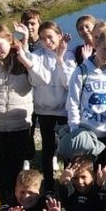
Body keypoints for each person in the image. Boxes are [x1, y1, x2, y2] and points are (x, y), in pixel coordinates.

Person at [0, 23, 36, 202]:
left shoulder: (23, 59)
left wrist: (25, 57)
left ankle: (17, 205)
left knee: (16, 171)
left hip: (19, 126)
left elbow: (41, 79)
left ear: (9, 40)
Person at [66, 28, 106, 180]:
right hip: (86, 133)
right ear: (96, 45)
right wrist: (74, 129)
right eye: (105, 49)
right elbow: (72, 102)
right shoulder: (81, 71)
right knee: (86, 174)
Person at [29, 20, 76, 177]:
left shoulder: (69, 56)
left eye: (50, 37)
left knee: (66, 147)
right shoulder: (36, 56)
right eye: (42, 38)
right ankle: (48, 184)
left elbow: (69, 83)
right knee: (48, 148)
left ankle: (69, 182)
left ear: (59, 36)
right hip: (44, 110)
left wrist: (60, 59)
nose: (47, 42)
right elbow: (34, 80)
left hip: (63, 110)